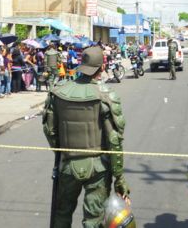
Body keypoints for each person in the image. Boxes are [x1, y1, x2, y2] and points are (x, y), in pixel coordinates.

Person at [42, 46, 130, 227]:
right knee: (94, 220)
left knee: (61, 214)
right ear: (102, 67)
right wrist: (119, 177)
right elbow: (114, 141)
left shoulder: (58, 92)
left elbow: (50, 130)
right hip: (98, 168)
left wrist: (63, 153)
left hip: (67, 166)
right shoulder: (106, 95)